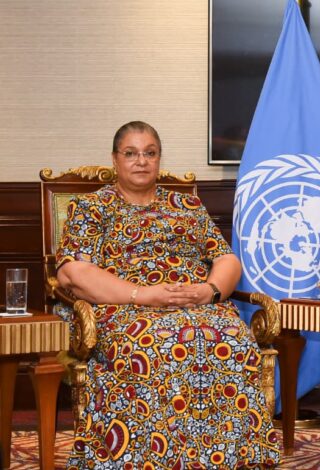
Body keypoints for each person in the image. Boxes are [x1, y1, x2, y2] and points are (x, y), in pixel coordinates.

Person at [55, 121, 281, 469]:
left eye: (150, 153)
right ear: (115, 159)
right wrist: (143, 295)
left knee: (234, 338)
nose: (141, 161)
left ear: (159, 158)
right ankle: (146, 460)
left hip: (197, 303)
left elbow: (227, 259)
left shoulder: (186, 205)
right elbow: (73, 273)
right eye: (130, 153)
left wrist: (209, 291)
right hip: (126, 307)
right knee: (153, 345)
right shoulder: (91, 208)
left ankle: (225, 458)